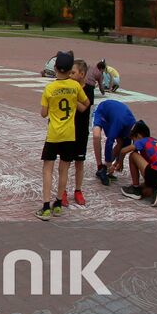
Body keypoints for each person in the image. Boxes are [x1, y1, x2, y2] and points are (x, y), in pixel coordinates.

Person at [36, 51, 88, 220]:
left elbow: (43, 113)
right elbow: (85, 104)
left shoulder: (50, 88)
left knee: (47, 170)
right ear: (69, 69)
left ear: (56, 68)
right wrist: (74, 105)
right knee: (63, 169)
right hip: (69, 134)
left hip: (53, 134)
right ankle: (58, 203)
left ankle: (45, 206)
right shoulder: (75, 86)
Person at [115, 120, 157, 207]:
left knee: (133, 155)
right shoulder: (155, 142)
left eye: (133, 139)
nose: (133, 142)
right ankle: (155, 190)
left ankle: (135, 188)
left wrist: (120, 163)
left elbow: (123, 151)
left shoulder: (143, 141)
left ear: (138, 136)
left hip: (156, 173)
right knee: (146, 189)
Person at [91, 95, 136, 186]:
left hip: (114, 114)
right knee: (96, 136)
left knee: (121, 143)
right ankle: (101, 167)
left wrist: (117, 162)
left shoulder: (133, 127)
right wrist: (109, 164)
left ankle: (108, 168)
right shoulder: (119, 123)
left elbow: (126, 146)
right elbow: (109, 142)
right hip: (102, 110)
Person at [65, 58, 91, 207]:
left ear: (81, 74)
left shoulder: (88, 90)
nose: (70, 75)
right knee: (65, 163)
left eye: (73, 72)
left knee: (79, 163)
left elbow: (83, 107)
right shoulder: (68, 86)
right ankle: (62, 191)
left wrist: (70, 96)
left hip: (81, 132)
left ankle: (78, 190)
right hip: (68, 130)